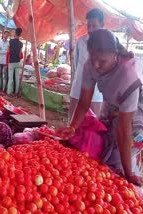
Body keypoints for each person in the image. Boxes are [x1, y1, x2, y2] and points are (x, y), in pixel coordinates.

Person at [57, 29, 143, 186]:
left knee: (123, 159)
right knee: (106, 152)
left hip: (135, 117)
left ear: (115, 54)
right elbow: (84, 102)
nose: (96, 65)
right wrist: (73, 127)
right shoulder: (90, 65)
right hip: (111, 108)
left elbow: (124, 131)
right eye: (93, 58)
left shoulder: (128, 78)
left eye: (102, 61)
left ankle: (125, 179)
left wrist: (128, 173)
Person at [69, 8, 104, 120]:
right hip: (78, 88)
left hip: (97, 92)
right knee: (73, 121)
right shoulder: (81, 41)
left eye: (94, 25)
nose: (90, 29)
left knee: (94, 123)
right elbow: (76, 64)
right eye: (88, 25)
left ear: (102, 24)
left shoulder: (109, 43)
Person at [7, 28, 23, 96]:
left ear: (15, 33)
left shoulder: (10, 41)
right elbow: (20, 53)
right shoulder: (21, 44)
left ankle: (9, 92)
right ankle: (16, 92)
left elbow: (8, 51)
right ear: (20, 34)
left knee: (10, 78)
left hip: (11, 61)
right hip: (17, 62)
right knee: (17, 78)